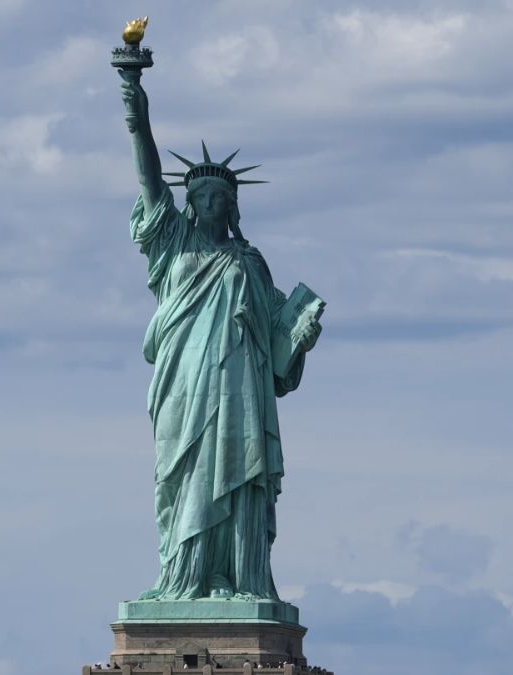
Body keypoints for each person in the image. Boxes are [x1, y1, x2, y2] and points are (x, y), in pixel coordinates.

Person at [119, 70, 322, 601]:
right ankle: (184, 579)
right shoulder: (172, 245)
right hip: (185, 385)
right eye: (201, 194)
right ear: (187, 203)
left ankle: (239, 579)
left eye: (219, 197)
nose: (210, 203)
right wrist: (134, 102)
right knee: (183, 477)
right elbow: (147, 174)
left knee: (240, 476)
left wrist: (298, 339)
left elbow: (278, 351)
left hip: (242, 391)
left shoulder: (251, 262)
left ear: (233, 207)